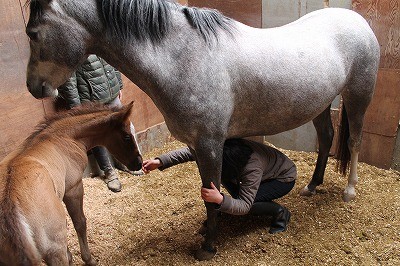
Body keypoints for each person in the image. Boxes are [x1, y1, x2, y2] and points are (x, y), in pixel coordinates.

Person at [142, 138, 296, 234]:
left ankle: (280, 212)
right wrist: (160, 161)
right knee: (233, 195)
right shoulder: (223, 147)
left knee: (246, 203)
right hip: (261, 172)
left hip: (282, 178)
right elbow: (191, 152)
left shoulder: (252, 168)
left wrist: (221, 200)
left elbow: (244, 205)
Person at [58, 54, 127, 192]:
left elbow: (112, 58)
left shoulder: (99, 37)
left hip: (111, 92)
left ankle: (124, 161)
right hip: (91, 100)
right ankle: (108, 172)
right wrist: (76, 106)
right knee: (98, 136)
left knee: (122, 129)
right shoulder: (74, 45)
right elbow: (68, 78)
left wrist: (118, 84)